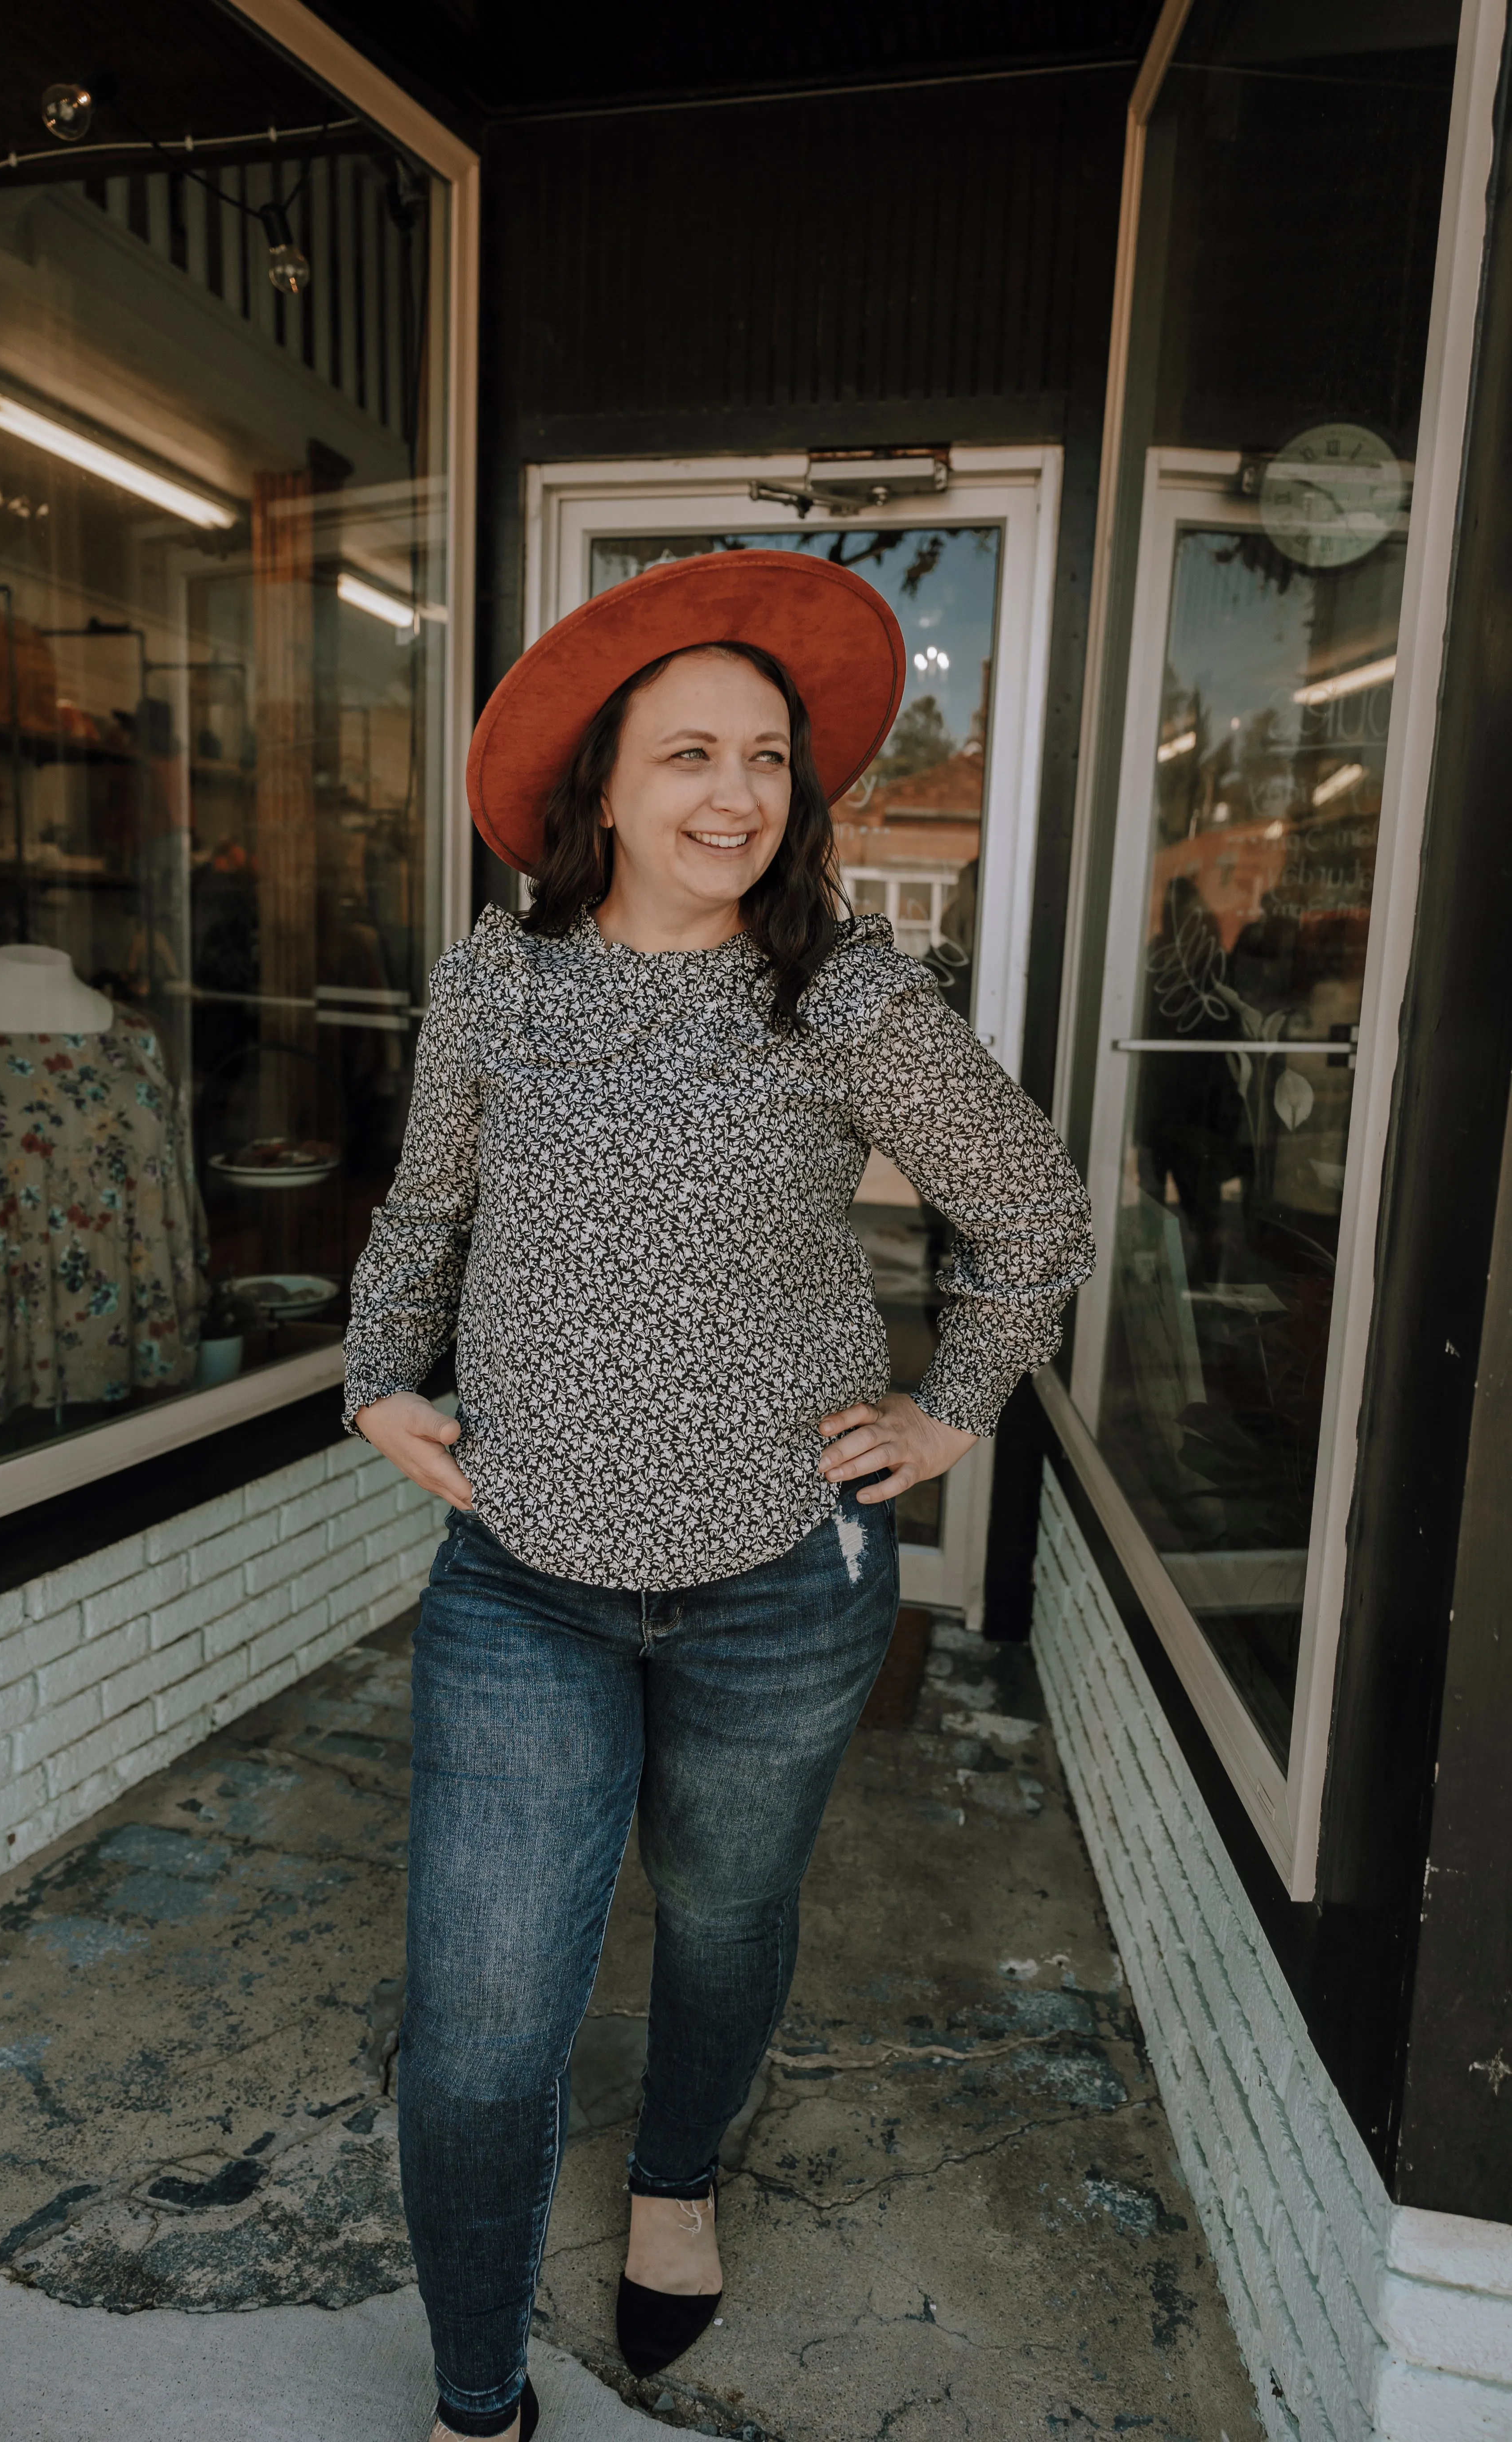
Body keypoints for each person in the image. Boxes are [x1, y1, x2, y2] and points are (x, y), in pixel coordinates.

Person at [344, 549, 1094, 2440]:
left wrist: (950, 1413)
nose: (737, 796)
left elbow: (1033, 1209)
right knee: (486, 2015)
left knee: (725, 1919)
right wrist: (378, 1374)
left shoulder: (843, 997)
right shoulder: (497, 985)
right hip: (521, 1574)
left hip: (783, 1578)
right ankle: (471, 2398)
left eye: (766, 757)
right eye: (688, 754)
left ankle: (674, 2188)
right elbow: (428, 1210)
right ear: (601, 787)